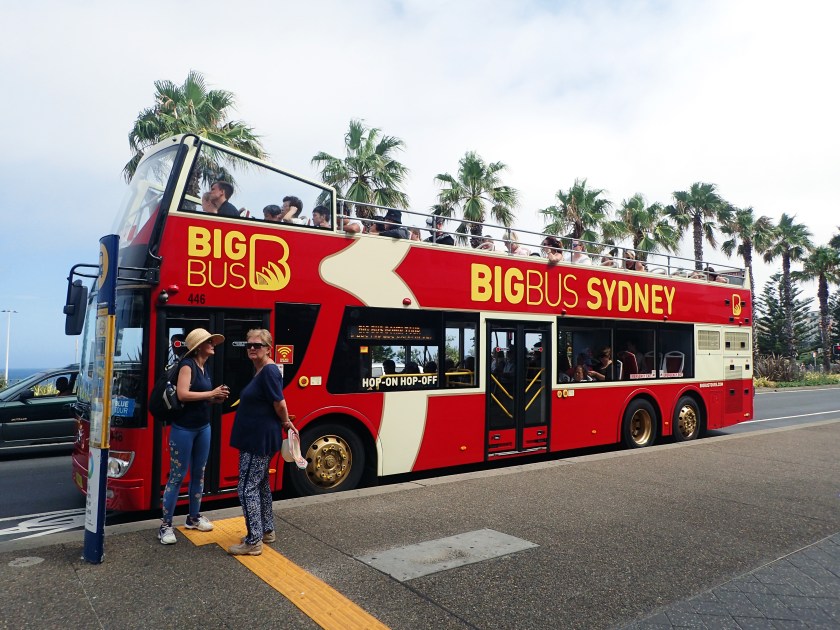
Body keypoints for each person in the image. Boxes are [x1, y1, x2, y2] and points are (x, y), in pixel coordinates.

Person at [227, 329, 295, 556]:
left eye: (257, 345)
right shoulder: (262, 371)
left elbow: (280, 403)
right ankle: (267, 531)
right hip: (258, 436)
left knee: (246, 487)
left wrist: (286, 423)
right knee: (262, 485)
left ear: (268, 348)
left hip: (257, 439)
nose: (252, 348)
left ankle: (253, 540)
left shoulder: (268, 371)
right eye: (249, 345)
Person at [159, 328, 229, 545]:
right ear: (199, 346)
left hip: (203, 427)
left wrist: (214, 399)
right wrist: (211, 393)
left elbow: (197, 397)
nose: (213, 345)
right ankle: (165, 526)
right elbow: (182, 394)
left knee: (199, 474)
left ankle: (193, 518)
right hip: (183, 429)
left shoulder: (203, 366)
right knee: (177, 476)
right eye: (209, 342)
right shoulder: (187, 365)